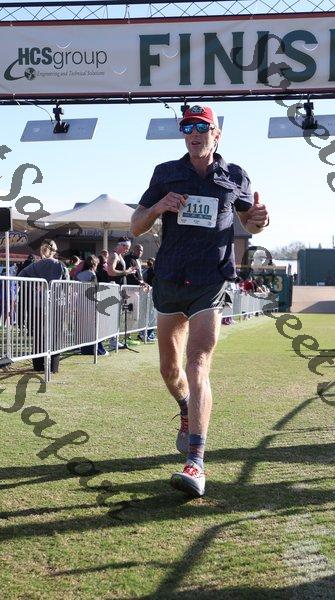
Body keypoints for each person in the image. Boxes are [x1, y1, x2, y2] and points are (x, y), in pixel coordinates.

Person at [131, 104, 269, 497]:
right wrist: (159, 206)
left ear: (216, 134)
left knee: (198, 363)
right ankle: (185, 408)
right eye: (187, 127)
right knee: (169, 370)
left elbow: (252, 222)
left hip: (211, 280)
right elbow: (136, 225)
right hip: (171, 278)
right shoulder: (165, 173)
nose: (194, 134)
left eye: (202, 127)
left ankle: (196, 462)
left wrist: (261, 219)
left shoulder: (235, 175)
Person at [18, 239, 69, 373]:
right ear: (55, 251)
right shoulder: (60, 265)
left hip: (38, 303)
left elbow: (20, 276)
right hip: (57, 303)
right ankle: (53, 366)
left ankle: (38, 365)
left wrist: (34, 285)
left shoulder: (34, 265)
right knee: (56, 334)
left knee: (38, 334)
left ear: (42, 250)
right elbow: (66, 285)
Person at [77, 255, 108, 356]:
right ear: (95, 264)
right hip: (90, 302)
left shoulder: (79, 274)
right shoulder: (92, 274)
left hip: (80, 301)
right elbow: (95, 289)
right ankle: (98, 349)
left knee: (84, 327)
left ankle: (85, 349)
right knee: (94, 325)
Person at [106, 238, 134, 350]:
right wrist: (125, 272)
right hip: (113, 289)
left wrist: (127, 272)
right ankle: (113, 341)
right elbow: (110, 271)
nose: (127, 250)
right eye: (126, 247)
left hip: (118, 289)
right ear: (121, 245)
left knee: (116, 315)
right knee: (113, 315)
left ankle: (114, 339)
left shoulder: (119, 256)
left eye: (128, 248)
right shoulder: (114, 255)